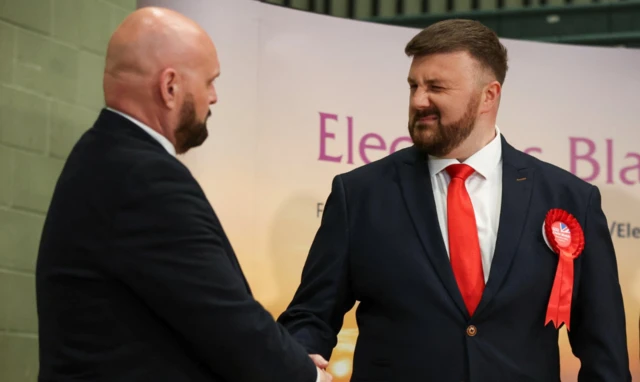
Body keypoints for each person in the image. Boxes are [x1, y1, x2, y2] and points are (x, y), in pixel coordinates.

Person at [277, 19, 630, 381]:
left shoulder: (570, 199)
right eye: (413, 85)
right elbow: (311, 314)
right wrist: (301, 357)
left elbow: (604, 351)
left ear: (489, 95)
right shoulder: (360, 194)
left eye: (436, 87)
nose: (418, 100)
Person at [35, 7, 331, 382]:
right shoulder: (145, 178)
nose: (214, 97)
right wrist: (308, 375)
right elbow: (226, 319)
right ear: (170, 87)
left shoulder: (101, 156)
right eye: (209, 81)